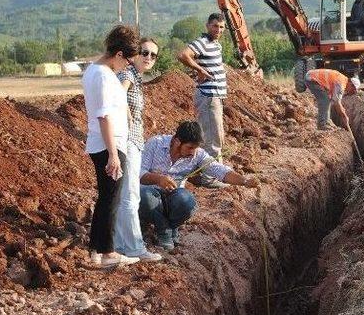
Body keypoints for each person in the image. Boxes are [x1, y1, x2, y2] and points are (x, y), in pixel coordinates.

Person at [139, 121, 259, 250]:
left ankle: (168, 228)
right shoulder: (155, 144)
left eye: (196, 148)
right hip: (150, 192)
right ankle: (164, 231)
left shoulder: (198, 154)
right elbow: (139, 172)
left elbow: (220, 170)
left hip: (173, 196)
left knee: (187, 202)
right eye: (190, 147)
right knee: (144, 196)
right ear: (177, 141)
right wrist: (158, 179)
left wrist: (245, 181)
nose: (193, 152)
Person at [82, 24, 140, 268]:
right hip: (109, 145)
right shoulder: (104, 76)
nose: (128, 65)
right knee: (111, 199)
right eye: (128, 60)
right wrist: (114, 155)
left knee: (106, 198)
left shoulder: (94, 71)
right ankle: (108, 253)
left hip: (104, 144)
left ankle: (95, 251)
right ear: (118, 54)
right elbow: (103, 116)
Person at [113, 37, 163, 262]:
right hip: (127, 141)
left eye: (153, 55)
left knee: (125, 194)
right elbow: (119, 94)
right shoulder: (128, 74)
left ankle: (121, 244)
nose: (149, 58)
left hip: (131, 140)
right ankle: (135, 248)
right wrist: (130, 117)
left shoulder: (136, 77)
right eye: (145, 52)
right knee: (131, 195)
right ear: (134, 54)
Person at [177, 13, 227, 162]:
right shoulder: (203, 42)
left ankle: (215, 172)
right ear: (207, 26)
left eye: (221, 27)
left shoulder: (216, 44)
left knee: (217, 136)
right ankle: (210, 177)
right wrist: (200, 70)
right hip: (208, 96)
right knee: (212, 138)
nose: (218, 30)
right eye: (215, 26)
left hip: (215, 96)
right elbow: (183, 55)